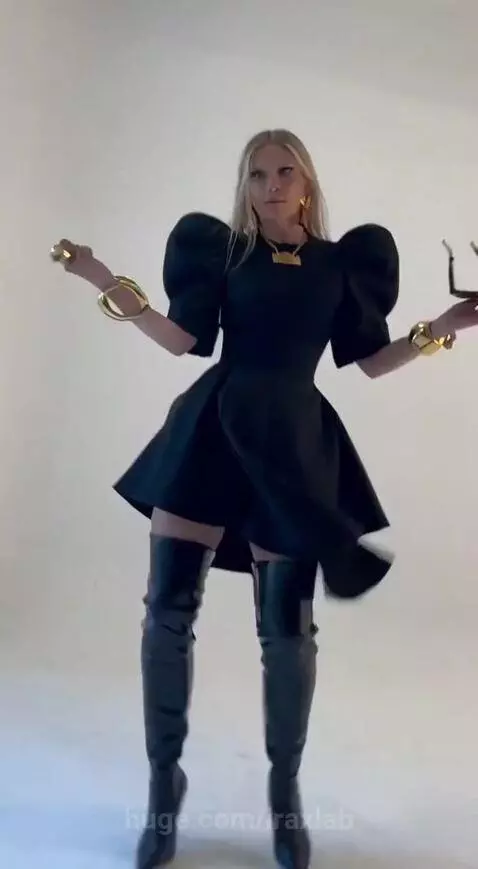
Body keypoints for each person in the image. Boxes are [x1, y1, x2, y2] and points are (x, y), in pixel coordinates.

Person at [50, 129, 478, 869]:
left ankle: (285, 795)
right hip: (211, 430)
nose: (272, 185)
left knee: (287, 633)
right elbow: (180, 339)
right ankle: (162, 789)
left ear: (307, 183)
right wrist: (100, 276)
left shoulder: (344, 263)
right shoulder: (223, 253)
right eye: (257, 175)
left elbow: (371, 362)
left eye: (285, 172)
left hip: (294, 443)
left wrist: (444, 328)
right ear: (244, 186)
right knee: (167, 613)